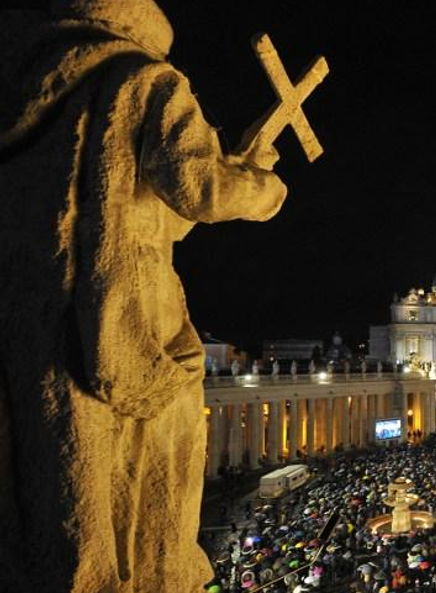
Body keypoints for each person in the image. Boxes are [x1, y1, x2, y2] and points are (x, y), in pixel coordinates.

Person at [0, 1, 287, 591]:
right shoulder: (143, 77)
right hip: (123, 308)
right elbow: (199, 189)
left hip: (28, 308)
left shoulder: (19, 85)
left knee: (56, 475)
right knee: (150, 464)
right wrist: (262, 186)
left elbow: (155, 209)